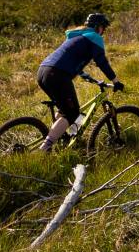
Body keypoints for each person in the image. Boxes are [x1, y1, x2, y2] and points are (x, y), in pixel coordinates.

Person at [37, 12, 122, 149]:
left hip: (43, 71)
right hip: (58, 74)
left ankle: (64, 140)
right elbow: (101, 61)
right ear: (98, 27)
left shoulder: (77, 36)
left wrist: (84, 75)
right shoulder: (94, 37)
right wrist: (116, 81)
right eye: (103, 28)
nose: (103, 32)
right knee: (72, 113)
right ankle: (44, 150)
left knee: (65, 109)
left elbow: (69, 58)